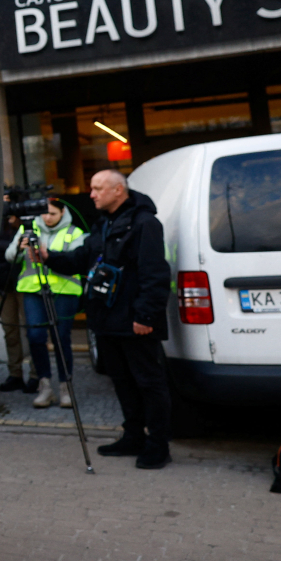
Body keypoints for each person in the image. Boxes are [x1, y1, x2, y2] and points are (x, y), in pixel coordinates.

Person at [41, 169, 172, 469]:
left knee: (149, 383)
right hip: (106, 320)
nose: (92, 194)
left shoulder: (145, 223)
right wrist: (48, 257)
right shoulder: (103, 225)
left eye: (98, 188)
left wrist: (146, 315)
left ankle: (158, 444)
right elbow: (80, 260)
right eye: (92, 188)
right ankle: (133, 436)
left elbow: (155, 273)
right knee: (122, 382)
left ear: (118, 190)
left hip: (134, 321)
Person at [5, 199, 84, 409]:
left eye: (53, 214)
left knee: (61, 338)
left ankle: (65, 387)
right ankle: (45, 386)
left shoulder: (74, 233)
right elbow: (10, 256)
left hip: (64, 292)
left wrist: (49, 255)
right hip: (33, 291)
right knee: (35, 336)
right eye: (45, 213)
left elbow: (77, 259)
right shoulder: (27, 229)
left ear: (63, 213)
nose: (48, 217)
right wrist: (20, 249)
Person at [0, 205, 34, 394]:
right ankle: (15, 374)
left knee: (31, 329)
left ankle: (36, 375)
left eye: (8, 199)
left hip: (26, 280)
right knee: (10, 329)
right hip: (3, 281)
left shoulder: (26, 222)